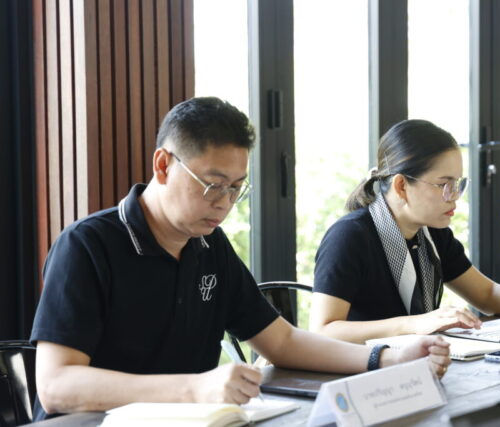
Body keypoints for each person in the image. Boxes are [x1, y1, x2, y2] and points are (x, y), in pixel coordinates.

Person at [29, 98, 450, 421]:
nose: (225, 203)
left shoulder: (209, 245)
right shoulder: (87, 246)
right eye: (213, 185)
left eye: (236, 188)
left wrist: (387, 359)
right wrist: (195, 389)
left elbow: (281, 342)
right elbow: (56, 386)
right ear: (163, 165)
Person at [310, 119, 500, 344]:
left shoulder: (432, 233)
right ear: (401, 186)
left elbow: (487, 295)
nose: (455, 197)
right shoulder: (350, 237)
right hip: (363, 377)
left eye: (458, 185)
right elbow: (323, 331)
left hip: (419, 366)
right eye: (444, 185)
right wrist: (415, 324)